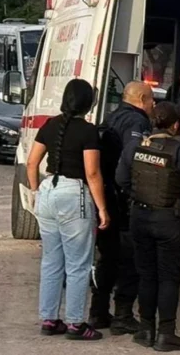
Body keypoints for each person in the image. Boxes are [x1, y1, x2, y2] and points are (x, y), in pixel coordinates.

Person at [115, 101, 180, 351]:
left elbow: (121, 179)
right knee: (168, 277)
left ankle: (146, 330)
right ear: (175, 125)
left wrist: (137, 194)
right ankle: (166, 334)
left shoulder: (135, 146)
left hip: (140, 216)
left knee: (146, 275)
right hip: (169, 219)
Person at [27, 79, 109, 340]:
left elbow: (32, 163)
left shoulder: (50, 125)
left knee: (51, 261)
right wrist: (102, 208)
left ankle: (49, 319)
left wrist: (35, 191)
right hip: (74, 194)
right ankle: (76, 323)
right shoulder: (88, 131)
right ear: (88, 103)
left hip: (47, 191)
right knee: (78, 264)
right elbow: (92, 172)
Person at [90, 82, 154, 333]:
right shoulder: (137, 122)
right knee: (130, 258)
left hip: (105, 196)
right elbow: (134, 159)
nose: (153, 105)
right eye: (151, 99)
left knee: (107, 257)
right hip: (123, 200)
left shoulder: (111, 117)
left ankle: (98, 311)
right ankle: (123, 314)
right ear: (141, 99)